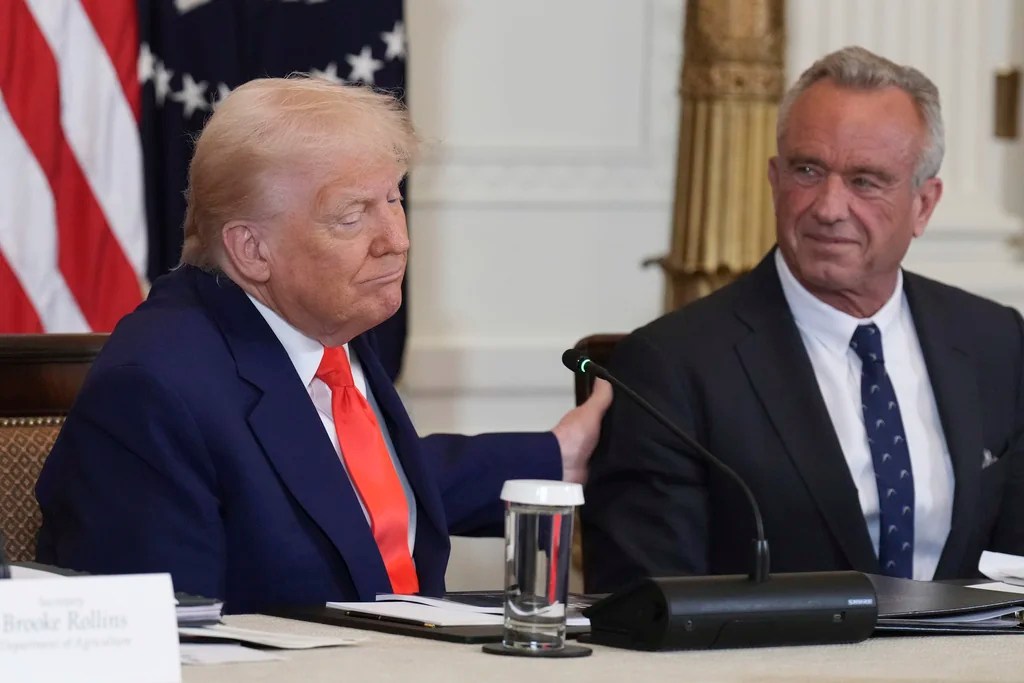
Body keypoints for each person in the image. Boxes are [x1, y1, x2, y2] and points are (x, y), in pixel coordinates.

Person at [35, 77, 612, 614]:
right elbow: (171, 642)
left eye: (392, 199)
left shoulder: (316, 317)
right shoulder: (151, 390)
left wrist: (554, 458)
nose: (397, 240)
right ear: (251, 250)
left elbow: (335, 486)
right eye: (352, 215)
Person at [582, 46, 1024, 592]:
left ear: (924, 205)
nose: (829, 207)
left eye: (865, 180)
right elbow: (646, 603)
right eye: (808, 170)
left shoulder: (995, 341)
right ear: (774, 178)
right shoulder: (671, 368)